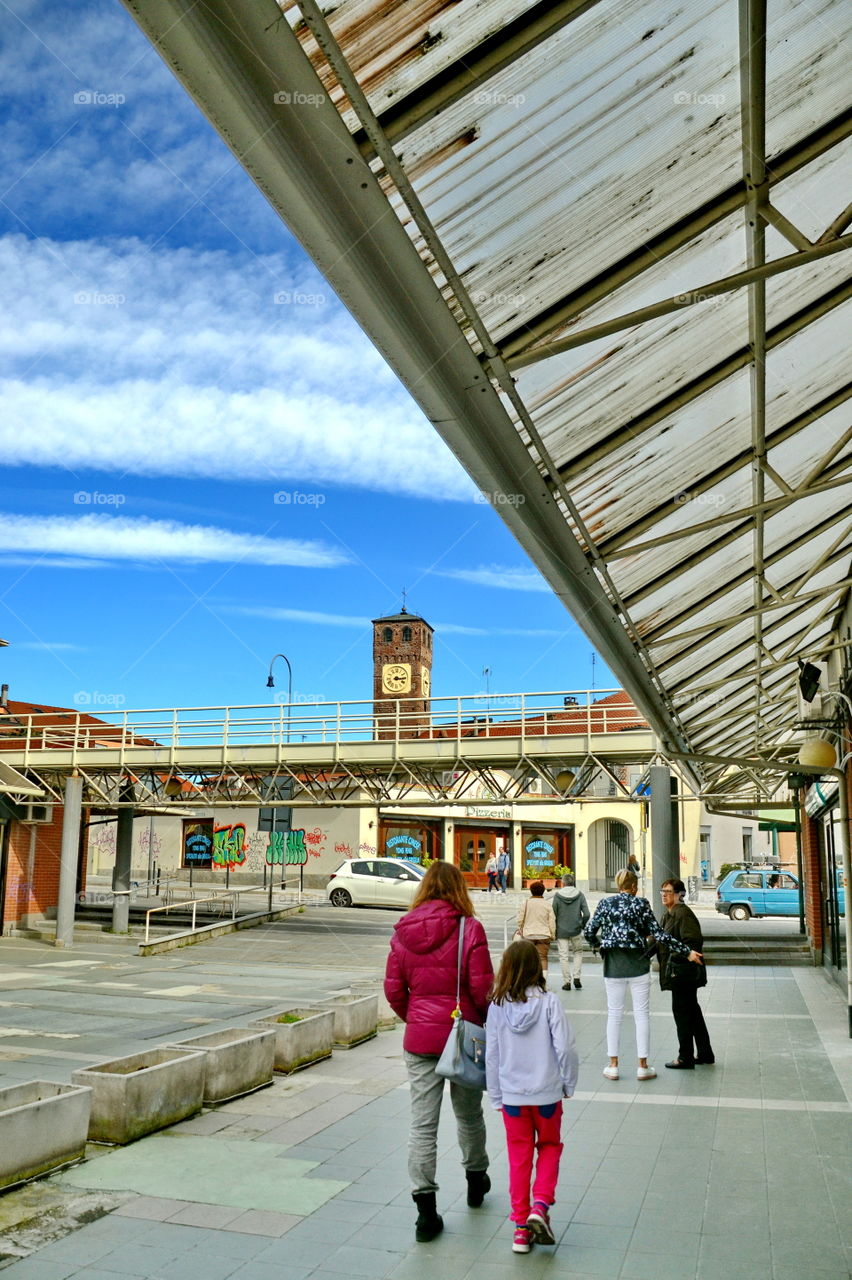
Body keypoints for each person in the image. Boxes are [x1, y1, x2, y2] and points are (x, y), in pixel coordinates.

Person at [384, 862, 494, 1242]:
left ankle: (426, 1214)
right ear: (458, 889)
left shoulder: (402, 932)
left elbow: (395, 991)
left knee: (422, 1125)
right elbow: (482, 990)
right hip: (461, 1038)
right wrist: (480, 1024)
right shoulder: (470, 928)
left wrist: (416, 1018)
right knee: (469, 1115)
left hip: (420, 1041)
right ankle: (476, 1177)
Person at [486, 940, 578, 1254]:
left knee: (518, 1158)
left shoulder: (496, 1007)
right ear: (536, 968)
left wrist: (496, 1096)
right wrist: (568, 1083)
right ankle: (540, 1204)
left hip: (512, 1098)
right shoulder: (550, 1002)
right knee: (550, 1146)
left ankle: (521, 1229)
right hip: (547, 1094)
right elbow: (564, 1047)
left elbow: (492, 1056)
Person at [584, 868, 703, 1081]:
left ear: (617, 885)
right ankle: (642, 1066)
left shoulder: (604, 904)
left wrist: (600, 946)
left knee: (614, 1014)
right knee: (641, 1014)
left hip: (613, 965)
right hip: (638, 965)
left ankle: (613, 1065)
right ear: (634, 887)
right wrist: (687, 952)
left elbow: (589, 932)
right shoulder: (641, 904)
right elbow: (658, 934)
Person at [656, 877, 714, 1069]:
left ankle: (685, 1057)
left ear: (679, 895)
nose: (664, 895)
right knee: (693, 1013)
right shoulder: (668, 914)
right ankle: (705, 1053)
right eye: (662, 891)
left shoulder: (683, 914)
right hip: (679, 973)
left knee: (682, 1014)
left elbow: (693, 942)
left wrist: (675, 959)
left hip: (683, 975)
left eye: (669, 891)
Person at [551, 873, 590, 990]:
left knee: (563, 956)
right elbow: (587, 914)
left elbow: (553, 914)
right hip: (576, 929)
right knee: (578, 952)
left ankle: (567, 982)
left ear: (563, 883)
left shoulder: (557, 896)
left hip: (561, 930)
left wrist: (555, 927)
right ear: (573, 882)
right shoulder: (580, 895)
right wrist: (582, 924)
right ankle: (577, 977)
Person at [517, 880, 555, 975]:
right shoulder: (547, 905)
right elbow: (552, 922)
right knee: (543, 958)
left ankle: (528, 981)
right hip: (544, 935)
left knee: (527, 959)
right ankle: (544, 981)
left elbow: (519, 920)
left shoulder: (525, 903)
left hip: (528, 935)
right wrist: (552, 935)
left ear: (531, 891)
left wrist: (521, 929)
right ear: (543, 891)